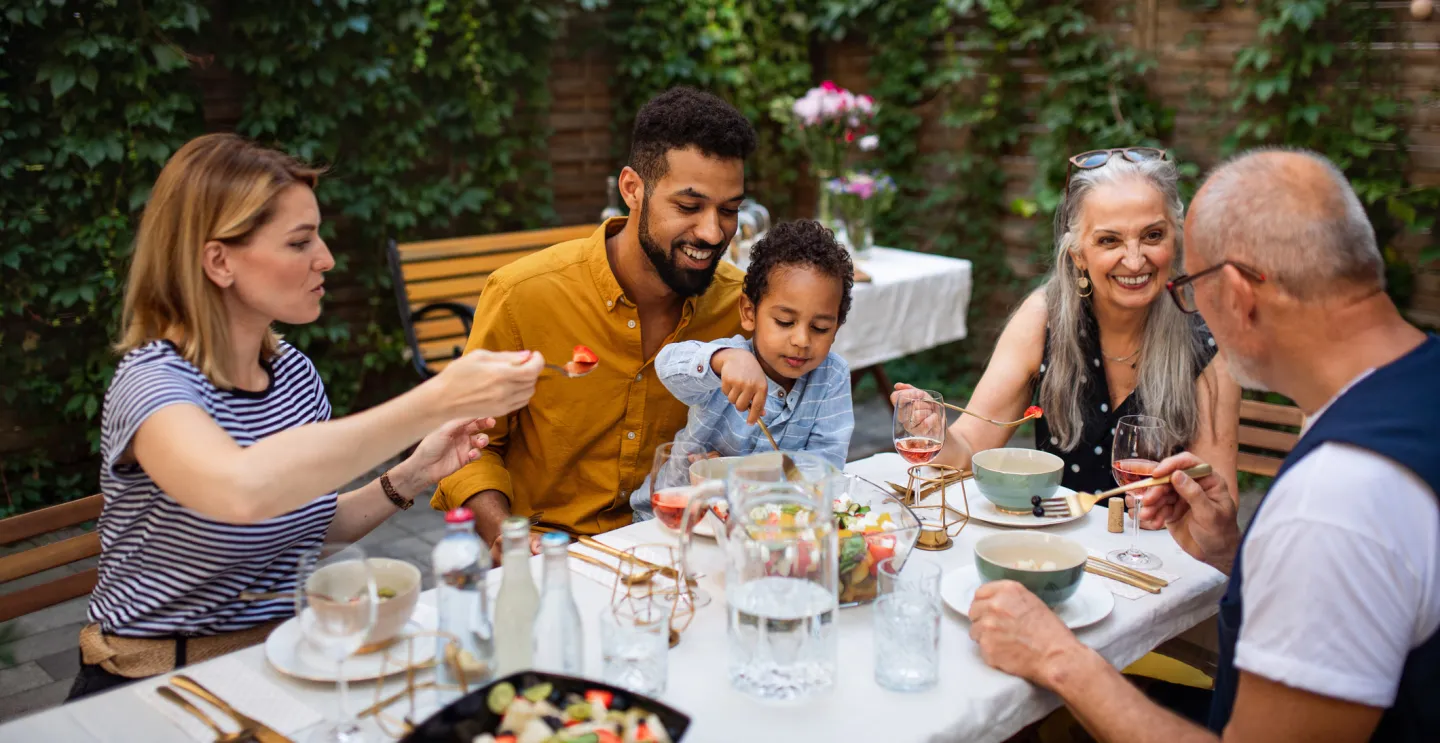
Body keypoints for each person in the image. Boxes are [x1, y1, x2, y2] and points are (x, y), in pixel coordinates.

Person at [968, 148, 1440, 742]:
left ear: (1237, 294)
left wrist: (1058, 658)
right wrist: (1225, 552)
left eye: (1188, 282)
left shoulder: (1335, 502)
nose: (1176, 297)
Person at [70, 133, 542, 700]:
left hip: (291, 661)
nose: (327, 258)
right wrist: (438, 397)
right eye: (300, 242)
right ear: (218, 260)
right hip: (159, 682)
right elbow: (242, 491)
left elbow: (310, 523)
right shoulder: (153, 382)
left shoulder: (293, 374)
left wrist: (416, 471)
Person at [432, 87, 757, 561]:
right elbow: (469, 445)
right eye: (689, 207)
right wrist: (507, 534)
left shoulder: (741, 305)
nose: (712, 232)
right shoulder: (523, 295)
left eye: (729, 210)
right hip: (551, 556)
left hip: (683, 551)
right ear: (632, 189)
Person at [893, 148, 1240, 501]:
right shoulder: (1044, 317)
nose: (1135, 260)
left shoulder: (1207, 342)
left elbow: (1216, 507)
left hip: (1160, 552)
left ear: (1175, 239)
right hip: (1056, 550)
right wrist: (936, 433)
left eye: (1153, 235)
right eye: (1109, 240)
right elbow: (967, 450)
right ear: (1078, 254)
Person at [634, 220, 854, 518]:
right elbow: (667, 365)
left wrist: (737, 474)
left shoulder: (832, 377)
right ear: (750, 313)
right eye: (785, 322)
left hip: (771, 526)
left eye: (820, 327)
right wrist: (721, 361)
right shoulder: (728, 360)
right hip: (678, 515)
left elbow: (824, 467)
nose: (802, 340)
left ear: (837, 329)